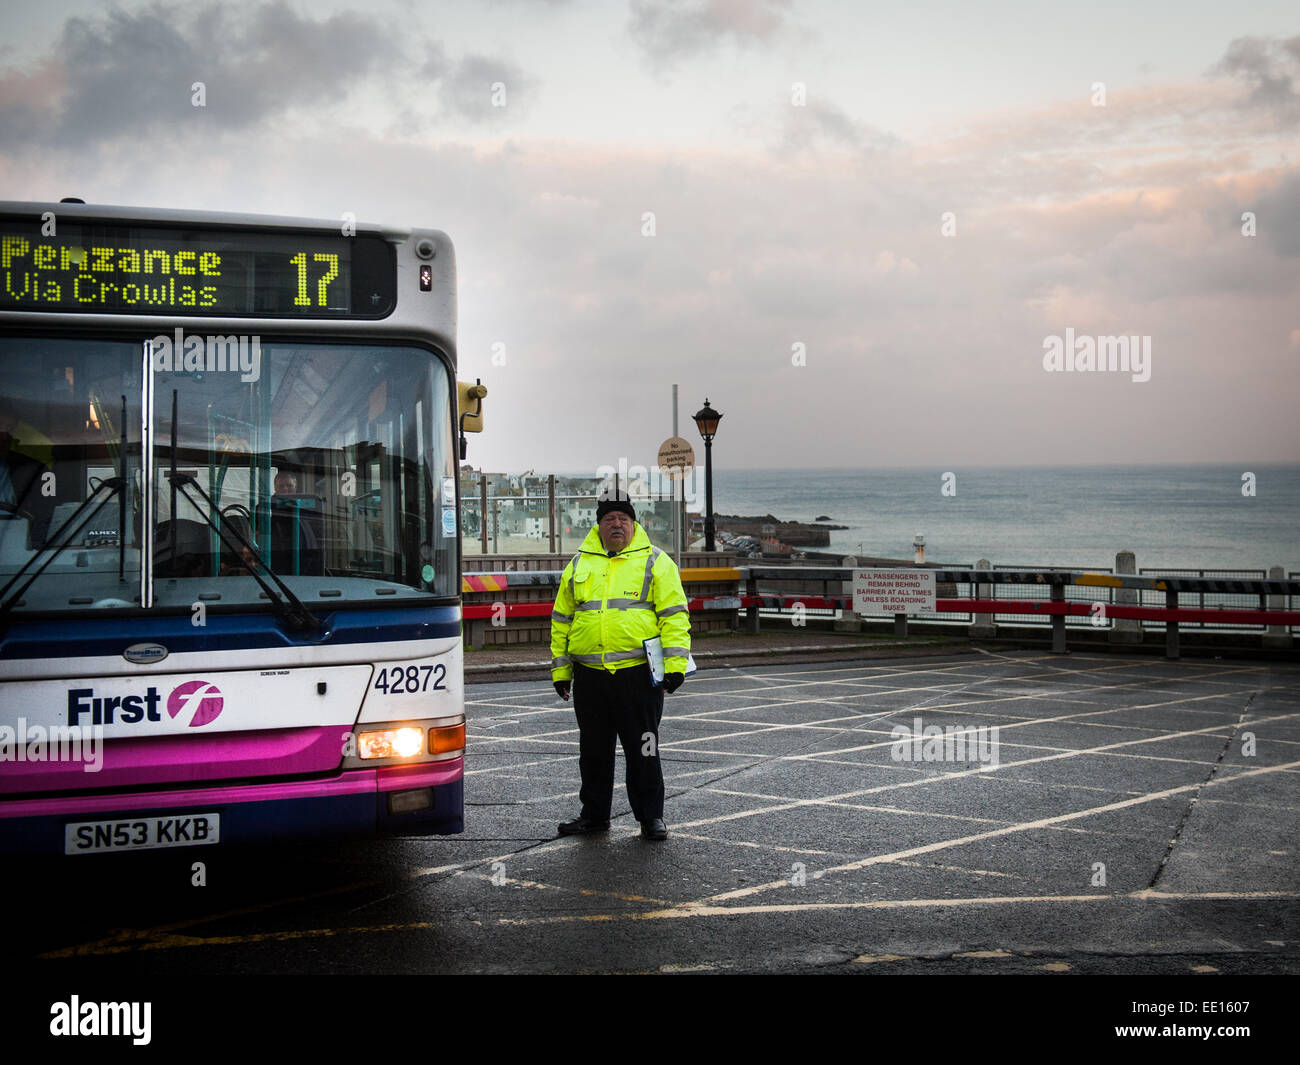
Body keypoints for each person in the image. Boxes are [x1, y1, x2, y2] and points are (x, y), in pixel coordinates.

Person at [550, 495, 691, 841]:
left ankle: (650, 818)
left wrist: (675, 667)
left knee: (644, 748)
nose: (616, 524)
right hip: (591, 676)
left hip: (637, 676)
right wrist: (560, 671)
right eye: (609, 518)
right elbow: (561, 620)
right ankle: (594, 815)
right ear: (598, 525)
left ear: (633, 524)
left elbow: (674, 616)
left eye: (623, 519)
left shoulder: (656, 561)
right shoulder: (578, 564)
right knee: (594, 751)